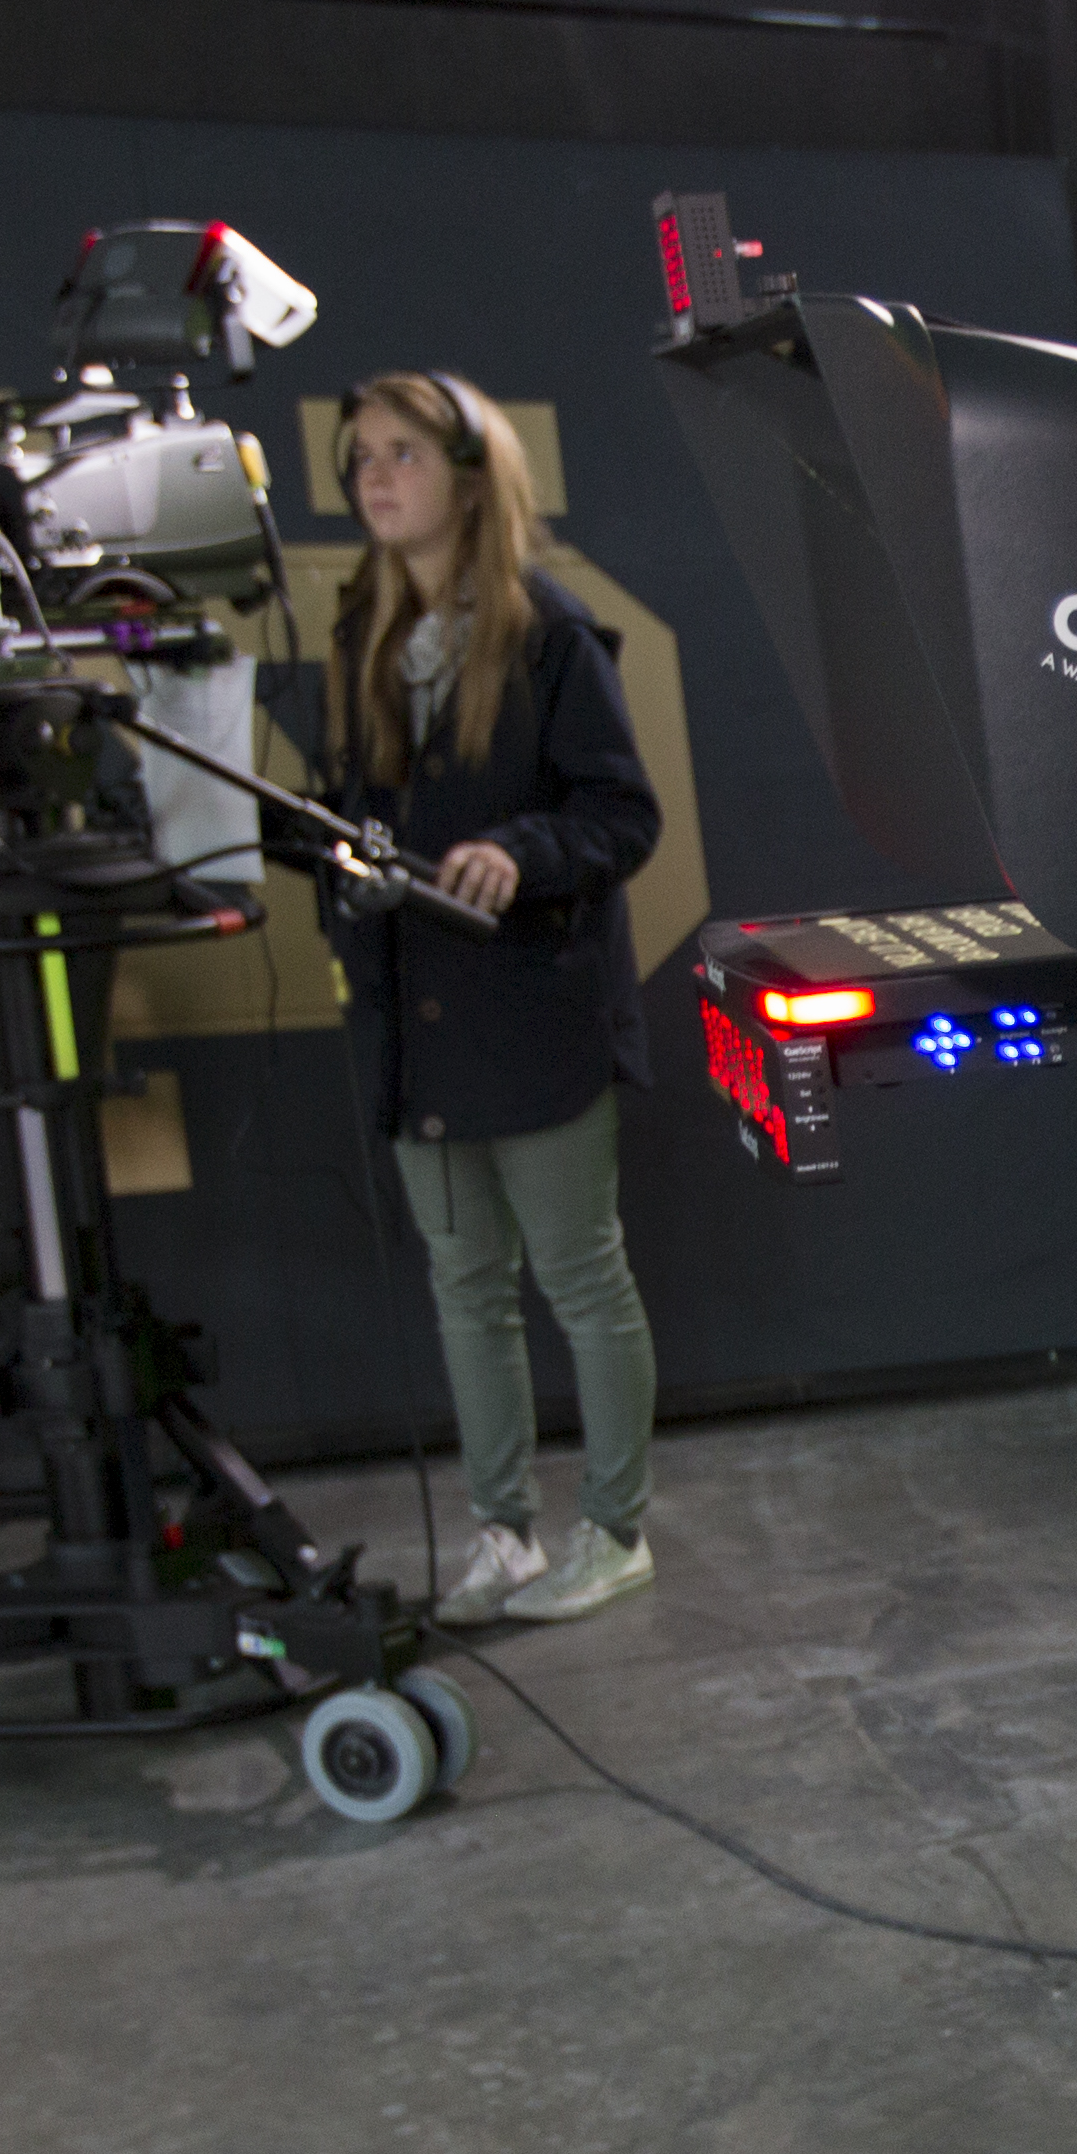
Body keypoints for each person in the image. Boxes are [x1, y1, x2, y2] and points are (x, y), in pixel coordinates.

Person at [328, 370, 670, 1627]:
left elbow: (622, 815)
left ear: (472, 476)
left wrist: (523, 853)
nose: (374, 476)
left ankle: (616, 1530)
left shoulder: (548, 634)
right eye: (360, 455)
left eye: (403, 453)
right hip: (414, 1028)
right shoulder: (358, 641)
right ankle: (503, 1536)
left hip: (534, 1017)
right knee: (463, 1289)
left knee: (581, 1280)